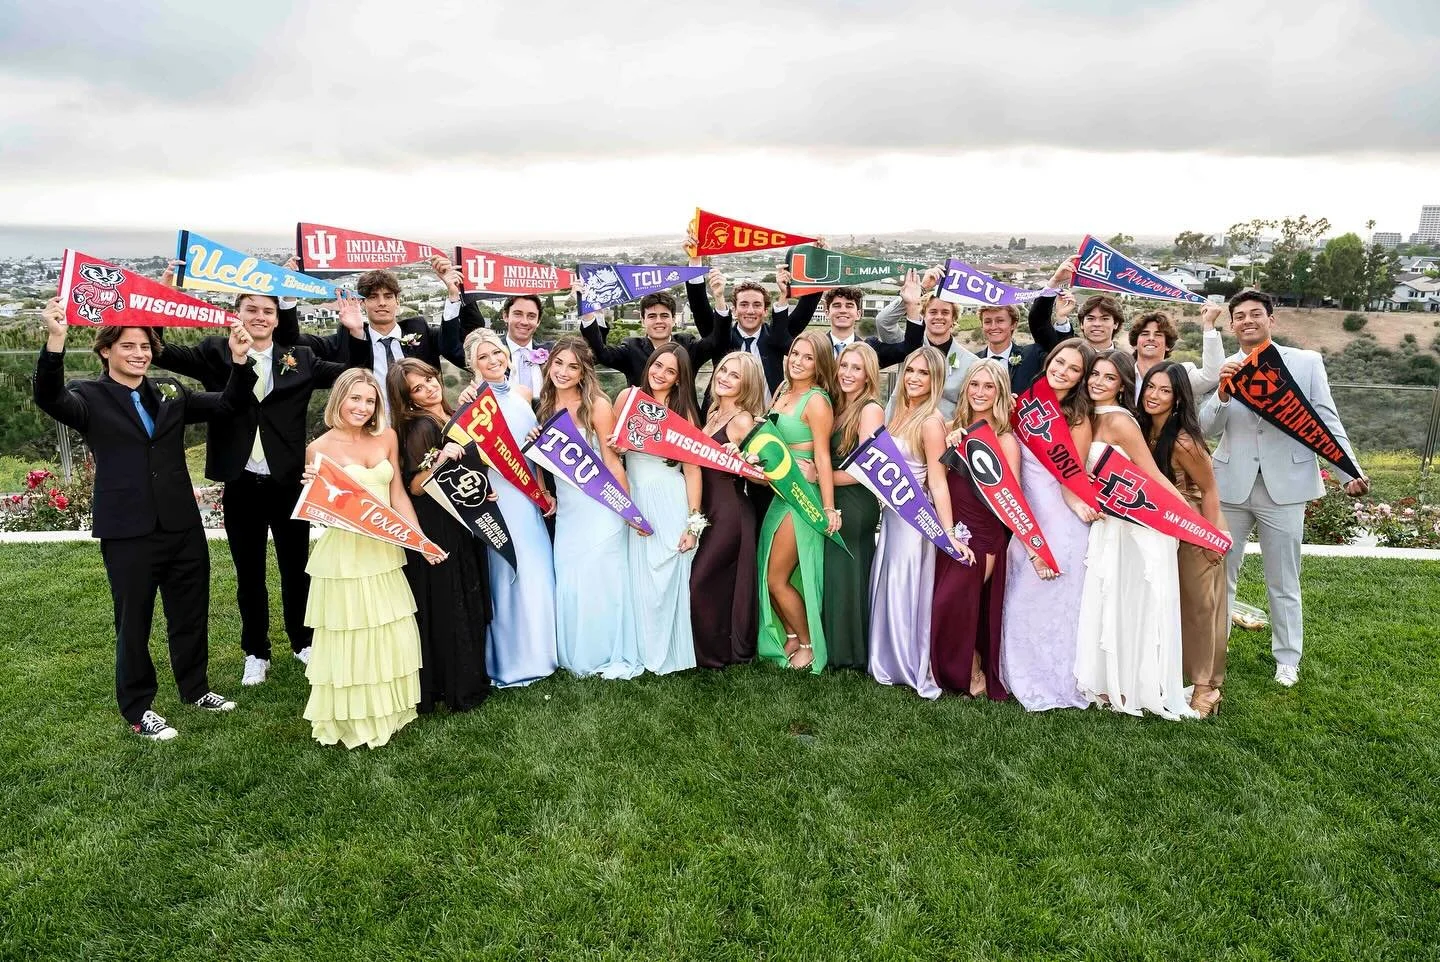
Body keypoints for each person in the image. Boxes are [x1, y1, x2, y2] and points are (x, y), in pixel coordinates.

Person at [34, 300, 254, 741]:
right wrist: (55, 340)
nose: (139, 353)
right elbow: (49, 397)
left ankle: (196, 689)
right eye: (128, 345)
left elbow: (229, 404)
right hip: (127, 528)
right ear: (105, 351)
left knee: (190, 613)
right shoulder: (87, 396)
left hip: (181, 524)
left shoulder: (170, 390)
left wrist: (239, 360)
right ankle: (138, 708)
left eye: (146, 346)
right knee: (133, 620)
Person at [151, 290, 370, 686]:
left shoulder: (299, 356)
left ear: (276, 318)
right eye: (251, 309)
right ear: (236, 314)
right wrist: (163, 298)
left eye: (267, 311)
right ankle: (255, 651)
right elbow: (159, 350)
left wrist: (354, 332)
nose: (260, 316)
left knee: (295, 568)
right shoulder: (215, 352)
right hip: (241, 482)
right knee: (249, 573)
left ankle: (302, 642)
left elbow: (354, 374)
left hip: (288, 482)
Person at [1201, 289, 1366, 687]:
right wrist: (1222, 395)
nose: (1247, 321)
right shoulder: (1226, 366)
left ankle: (1287, 658)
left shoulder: (1305, 363)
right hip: (1231, 486)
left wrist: (1349, 471)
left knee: (1283, 579)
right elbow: (1206, 427)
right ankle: (1212, 653)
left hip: (1287, 487)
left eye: (1255, 314)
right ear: (1232, 324)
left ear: (1271, 320)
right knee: (1221, 575)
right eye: (1239, 316)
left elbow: (1325, 420)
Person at [301, 368, 435, 748]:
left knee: (387, 628)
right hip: (345, 556)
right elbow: (319, 513)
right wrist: (313, 492)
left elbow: (398, 496)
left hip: (385, 550)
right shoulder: (318, 450)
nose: (362, 407)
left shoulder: (387, 437)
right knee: (352, 632)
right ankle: (352, 717)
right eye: (355, 398)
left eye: (370, 400)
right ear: (339, 399)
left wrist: (418, 540)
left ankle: (390, 711)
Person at [1073, 350, 1195, 719]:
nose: (1098, 382)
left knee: (1129, 600)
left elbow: (1153, 474)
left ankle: (1130, 683)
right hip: (1107, 523)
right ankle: (1107, 681)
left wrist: (1185, 518)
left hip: (1134, 526)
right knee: (1108, 598)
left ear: (1123, 385)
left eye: (1109, 378)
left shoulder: (1121, 421)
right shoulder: (1085, 415)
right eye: (1095, 374)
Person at [386, 358, 494, 712]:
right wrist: (440, 460)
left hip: (460, 518)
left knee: (464, 597)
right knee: (450, 604)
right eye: (418, 387)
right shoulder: (420, 427)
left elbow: (463, 471)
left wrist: (481, 489)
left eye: (430, 379)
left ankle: (468, 679)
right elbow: (416, 485)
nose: (430, 387)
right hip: (440, 526)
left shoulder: (447, 415)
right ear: (408, 399)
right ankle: (456, 686)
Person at [868, 347, 975, 699]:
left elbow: (938, 480)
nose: (914, 378)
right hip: (892, 518)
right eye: (910, 370)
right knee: (888, 583)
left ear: (936, 380)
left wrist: (946, 533)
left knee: (905, 587)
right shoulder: (897, 413)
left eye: (923, 373)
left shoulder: (931, 422)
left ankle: (906, 662)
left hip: (916, 522)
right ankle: (884, 657)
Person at [999, 339, 1099, 711]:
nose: (1063, 371)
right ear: (1049, 361)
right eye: (1060, 362)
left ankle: (1052, 676)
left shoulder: (1077, 417)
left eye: (1074, 369)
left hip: (1059, 518)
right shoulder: (1024, 404)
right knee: (1021, 594)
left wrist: (1075, 499)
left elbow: (1073, 472)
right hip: (1025, 514)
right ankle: (1015, 670)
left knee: (1051, 599)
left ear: (1081, 378)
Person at [535, 336, 643, 679]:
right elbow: (539, 458)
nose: (563, 372)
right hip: (569, 509)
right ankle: (575, 652)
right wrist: (542, 491)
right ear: (549, 365)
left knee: (601, 577)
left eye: (573, 366)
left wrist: (628, 509)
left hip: (601, 506)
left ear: (584, 372)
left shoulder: (597, 404)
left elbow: (613, 464)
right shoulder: (543, 406)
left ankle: (605, 650)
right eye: (558, 364)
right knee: (572, 576)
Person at [459, 330, 559, 687]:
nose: (493, 360)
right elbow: (467, 455)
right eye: (484, 357)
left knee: (537, 571)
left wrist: (543, 491)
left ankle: (546, 652)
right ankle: (511, 659)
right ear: (473, 363)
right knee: (507, 574)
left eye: (497, 353)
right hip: (498, 497)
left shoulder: (523, 394)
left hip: (528, 495)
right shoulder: (471, 401)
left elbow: (532, 453)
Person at [1139, 361, 1229, 718]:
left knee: (1200, 608)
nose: (1154, 396)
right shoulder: (1144, 430)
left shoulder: (1184, 440)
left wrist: (1212, 537)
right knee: (1169, 604)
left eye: (1164, 391)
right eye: (1150, 387)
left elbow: (1209, 491)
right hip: (1159, 528)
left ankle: (1207, 686)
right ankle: (1173, 674)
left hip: (1191, 526)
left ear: (1178, 399)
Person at [615, 344, 705, 674]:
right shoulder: (628, 398)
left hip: (671, 497)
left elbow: (693, 470)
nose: (660, 374)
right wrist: (620, 449)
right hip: (635, 494)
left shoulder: (684, 414)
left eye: (670, 371)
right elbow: (611, 450)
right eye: (657, 365)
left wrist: (693, 525)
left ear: (680, 379)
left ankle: (669, 652)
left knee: (668, 577)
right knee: (638, 578)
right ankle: (640, 648)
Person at [755, 330, 842, 672]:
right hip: (778, 493)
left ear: (819, 364)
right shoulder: (782, 391)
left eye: (808, 357)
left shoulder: (817, 400)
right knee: (771, 575)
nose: (799, 362)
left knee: (777, 578)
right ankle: (790, 634)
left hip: (801, 498)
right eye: (795, 353)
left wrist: (828, 506)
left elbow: (822, 456)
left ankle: (808, 643)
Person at [933, 359, 1018, 700]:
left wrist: (972, 448)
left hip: (984, 535)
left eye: (989, 386)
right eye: (975, 385)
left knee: (954, 602)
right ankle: (965, 668)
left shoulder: (1006, 440)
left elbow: (1009, 499)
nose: (980, 392)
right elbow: (935, 481)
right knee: (950, 604)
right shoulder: (950, 428)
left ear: (999, 393)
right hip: (951, 529)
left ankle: (975, 672)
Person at [301, 260, 485, 408]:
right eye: (373, 297)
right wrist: (284, 291)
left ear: (398, 301)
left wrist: (457, 292)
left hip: (423, 430)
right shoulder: (346, 339)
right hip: (373, 436)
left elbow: (472, 334)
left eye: (388, 296)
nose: (382, 303)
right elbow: (292, 341)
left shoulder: (421, 331)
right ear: (362, 304)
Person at [690, 351, 764, 668]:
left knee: (701, 580)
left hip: (731, 512)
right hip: (711, 511)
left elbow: (760, 475)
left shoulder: (742, 419)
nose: (724, 378)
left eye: (734, 375)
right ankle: (714, 648)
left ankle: (715, 654)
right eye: (722, 370)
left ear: (746, 384)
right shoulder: (713, 412)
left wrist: (744, 459)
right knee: (714, 581)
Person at [821, 343, 886, 670]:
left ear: (868, 374)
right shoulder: (835, 404)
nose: (847, 373)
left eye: (856, 368)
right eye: (844, 365)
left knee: (846, 577)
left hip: (854, 502)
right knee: (835, 577)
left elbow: (865, 469)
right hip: (833, 496)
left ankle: (849, 654)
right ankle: (834, 645)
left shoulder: (870, 410)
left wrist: (820, 477)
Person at [685, 259, 819, 395]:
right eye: (743, 304)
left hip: (766, 413)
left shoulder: (777, 338)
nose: (750, 311)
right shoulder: (721, 339)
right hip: (724, 415)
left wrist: (817, 260)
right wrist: (696, 263)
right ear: (734, 310)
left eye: (757, 305)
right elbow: (699, 306)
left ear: (765, 311)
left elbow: (804, 311)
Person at [580, 290, 732, 410]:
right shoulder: (631, 348)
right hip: (642, 428)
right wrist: (591, 314)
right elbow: (601, 354)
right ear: (643, 320)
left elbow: (716, 341)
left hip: (685, 426)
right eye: (652, 316)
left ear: (673, 319)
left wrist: (719, 298)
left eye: (664, 316)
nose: (659, 321)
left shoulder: (687, 345)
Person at [876, 273, 981, 418]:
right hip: (900, 427)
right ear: (924, 315)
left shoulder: (971, 362)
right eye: (933, 312)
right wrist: (919, 292)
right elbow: (883, 322)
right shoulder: (908, 345)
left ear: (954, 319)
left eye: (945, 313)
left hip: (942, 433)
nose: (939, 316)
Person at [1128, 305, 1224, 401]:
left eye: (1158, 334)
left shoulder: (1179, 375)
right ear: (1135, 343)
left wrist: (1209, 324)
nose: (1151, 338)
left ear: (1168, 345)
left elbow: (1212, 376)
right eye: (1145, 334)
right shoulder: (1120, 372)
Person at [972, 304, 1053, 395]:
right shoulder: (972, 361)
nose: (993, 327)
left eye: (1000, 321)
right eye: (987, 322)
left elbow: (1060, 355)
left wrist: (1061, 319)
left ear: (1013, 325)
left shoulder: (1033, 355)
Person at [489, 293, 552, 395]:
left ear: (538, 321)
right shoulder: (490, 352)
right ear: (505, 316)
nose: (524, 322)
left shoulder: (552, 352)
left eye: (531, 316)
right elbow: (455, 350)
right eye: (518, 314)